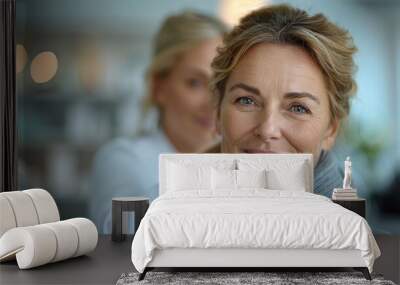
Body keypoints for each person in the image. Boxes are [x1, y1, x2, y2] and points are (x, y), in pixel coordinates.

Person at [90, 11, 228, 234]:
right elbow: (123, 234)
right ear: (159, 87)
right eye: (195, 83)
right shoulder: (121, 158)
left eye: (222, 85)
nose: (213, 102)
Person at [208, 4, 359, 197]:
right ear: (218, 113)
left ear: (331, 130)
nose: (267, 130)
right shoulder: (163, 208)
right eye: (246, 100)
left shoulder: (348, 225)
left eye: (298, 108)